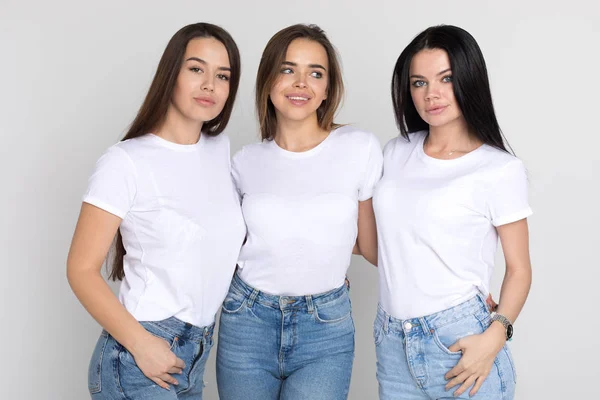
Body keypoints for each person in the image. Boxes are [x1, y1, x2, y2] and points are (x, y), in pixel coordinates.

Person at [66, 23, 245, 399]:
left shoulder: (220, 151)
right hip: (140, 355)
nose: (210, 85)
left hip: (195, 353)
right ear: (171, 74)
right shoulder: (125, 161)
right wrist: (142, 345)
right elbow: (81, 269)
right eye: (196, 69)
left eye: (223, 75)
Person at [216, 24, 382, 400]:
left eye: (315, 73)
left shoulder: (360, 148)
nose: (301, 83)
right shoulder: (244, 162)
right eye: (288, 69)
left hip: (325, 325)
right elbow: (225, 245)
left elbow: (370, 246)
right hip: (247, 319)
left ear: (327, 90)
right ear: (268, 81)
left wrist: (456, 288)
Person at [373, 25, 532, 399]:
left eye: (446, 78)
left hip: (460, 336)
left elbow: (520, 269)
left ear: (469, 79)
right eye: (419, 82)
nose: (432, 94)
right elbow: (378, 242)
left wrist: (495, 336)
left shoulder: (498, 169)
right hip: (392, 342)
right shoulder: (395, 152)